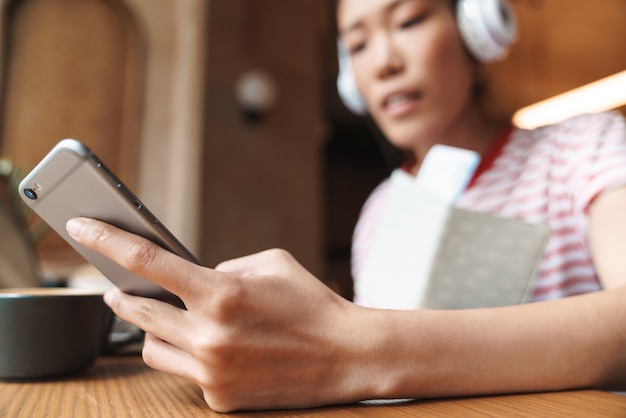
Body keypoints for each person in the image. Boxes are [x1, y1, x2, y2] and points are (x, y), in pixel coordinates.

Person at [65, 0, 626, 412]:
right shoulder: (381, 210)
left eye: (408, 21)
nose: (383, 62)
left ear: (476, 27)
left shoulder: (584, 148)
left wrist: (358, 349)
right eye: (357, 44)